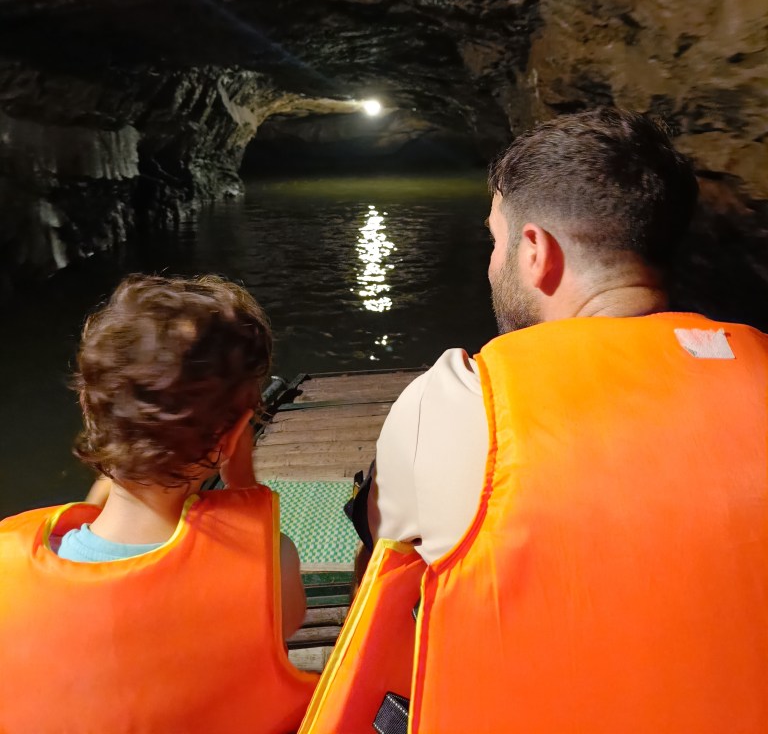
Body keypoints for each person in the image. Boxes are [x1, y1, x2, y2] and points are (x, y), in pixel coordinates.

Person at [299, 108, 768, 734]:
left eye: (495, 241)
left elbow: (383, 559)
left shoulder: (461, 403)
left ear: (536, 251)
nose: (492, 262)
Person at [0, 274, 318, 734]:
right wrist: (243, 488)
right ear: (233, 437)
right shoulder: (270, 562)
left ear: (89, 408)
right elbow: (290, 622)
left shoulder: (11, 573)